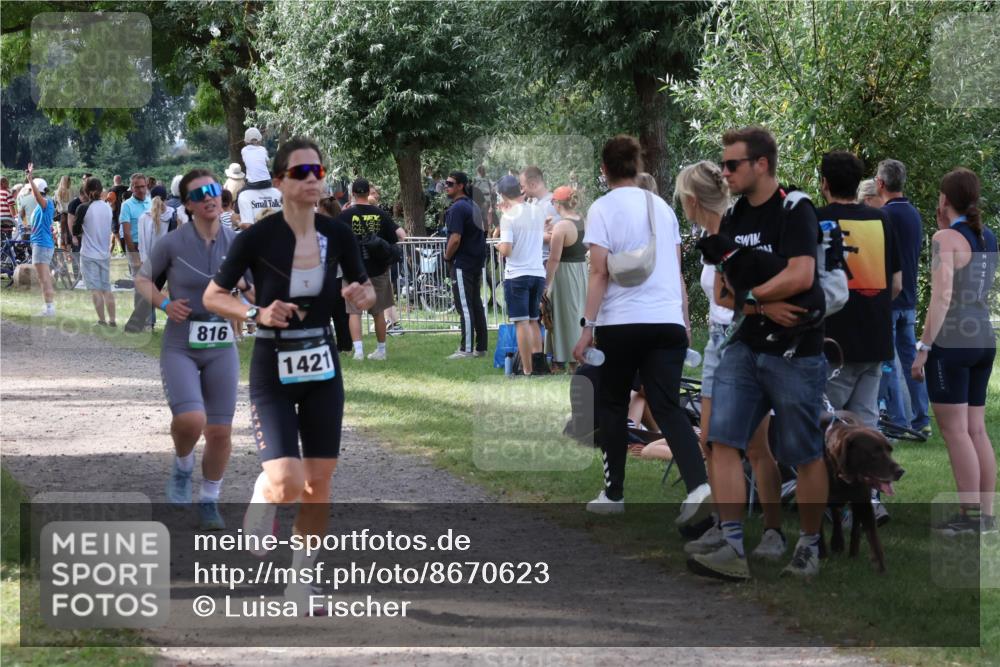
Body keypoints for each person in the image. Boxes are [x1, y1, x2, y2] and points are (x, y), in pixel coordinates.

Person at [203, 137, 375, 615]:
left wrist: (364, 298)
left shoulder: (337, 233)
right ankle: (263, 493)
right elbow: (215, 296)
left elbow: (362, 288)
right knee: (287, 482)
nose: (312, 179)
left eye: (317, 170)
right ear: (278, 181)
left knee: (319, 482)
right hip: (272, 366)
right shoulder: (256, 237)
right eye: (300, 172)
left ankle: (301, 582)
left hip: (322, 362)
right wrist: (256, 310)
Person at [687, 126, 829, 581]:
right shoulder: (732, 219)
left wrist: (753, 295)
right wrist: (762, 303)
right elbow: (726, 295)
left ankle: (808, 545)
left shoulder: (795, 208)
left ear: (761, 164)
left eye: (732, 165)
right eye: (724, 165)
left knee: (803, 451)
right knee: (721, 441)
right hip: (745, 345)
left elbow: (803, 274)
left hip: (795, 352)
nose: (724, 173)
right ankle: (731, 543)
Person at [571, 135, 710, 521]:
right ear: (637, 164)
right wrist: (683, 324)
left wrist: (588, 327)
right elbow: (677, 272)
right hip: (666, 321)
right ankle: (699, 486)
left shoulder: (601, 209)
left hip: (622, 322)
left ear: (604, 169)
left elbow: (599, 272)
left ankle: (613, 493)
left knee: (614, 404)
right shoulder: (662, 208)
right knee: (667, 406)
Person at [673, 161, 784, 561]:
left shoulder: (736, 230)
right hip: (719, 342)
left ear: (690, 199)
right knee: (711, 443)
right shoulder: (710, 233)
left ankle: (772, 532)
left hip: (740, 337)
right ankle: (725, 527)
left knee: (755, 446)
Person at [136, 169, 247, 532]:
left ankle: (210, 499)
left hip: (221, 344)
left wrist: (252, 295)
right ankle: (183, 465)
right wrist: (165, 305)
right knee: (191, 420)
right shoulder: (172, 243)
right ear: (188, 205)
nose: (210, 197)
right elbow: (142, 279)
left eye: (214, 190)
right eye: (200, 194)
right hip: (181, 342)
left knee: (219, 432)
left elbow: (254, 291)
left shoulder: (236, 242)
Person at [913, 168, 997, 535]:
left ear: (944, 199)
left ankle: (969, 517)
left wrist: (923, 347)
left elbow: (942, 295)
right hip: (983, 338)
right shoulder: (988, 237)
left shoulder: (944, 237)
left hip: (953, 343)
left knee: (956, 432)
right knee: (976, 430)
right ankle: (986, 515)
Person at [876, 159, 931, 436]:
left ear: (881, 184)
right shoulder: (913, 213)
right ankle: (922, 416)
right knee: (911, 362)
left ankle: (897, 420)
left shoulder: (885, 216)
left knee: (887, 361)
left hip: (889, 297)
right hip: (909, 298)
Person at [335, 178, 402, 361]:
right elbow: (401, 236)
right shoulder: (381, 214)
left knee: (353, 312)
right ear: (368, 192)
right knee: (378, 312)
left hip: (353, 270)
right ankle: (381, 350)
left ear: (353, 194)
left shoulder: (345, 216)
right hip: (378, 270)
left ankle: (358, 352)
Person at [497, 174, 547, 374]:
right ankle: (539, 366)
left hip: (517, 274)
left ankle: (526, 370)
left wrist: (498, 246)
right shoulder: (537, 211)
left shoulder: (508, 217)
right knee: (534, 320)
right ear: (520, 190)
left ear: (502, 194)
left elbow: (507, 249)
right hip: (537, 273)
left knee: (521, 323)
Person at [443, 171, 488, 359]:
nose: (446, 186)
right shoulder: (473, 205)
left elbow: (455, 238)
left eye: (450, 183)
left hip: (463, 262)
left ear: (461, 186)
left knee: (465, 306)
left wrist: (446, 257)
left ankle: (466, 349)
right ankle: (481, 347)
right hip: (476, 261)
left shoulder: (457, 208)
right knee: (476, 304)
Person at [543, 186, 586, 371]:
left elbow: (554, 258)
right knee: (578, 313)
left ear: (557, 204)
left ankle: (566, 359)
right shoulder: (583, 221)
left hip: (565, 273)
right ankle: (574, 357)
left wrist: (547, 284)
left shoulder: (561, 226)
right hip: (581, 270)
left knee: (562, 315)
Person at [74, 177, 116, 327]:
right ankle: (112, 320)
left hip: (89, 253)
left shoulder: (83, 208)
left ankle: (102, 320)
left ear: (86, 191)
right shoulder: (107, 207)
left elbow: (76, 230)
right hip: (104, 253)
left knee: (95, 289)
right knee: (106, 288)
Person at [25, 165, 57, 316]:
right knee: (43, 277)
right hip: (41, 243)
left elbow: (38, 197)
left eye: (32, 190)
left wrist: (30, 179)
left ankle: (49, 309)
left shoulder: (46, 202)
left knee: (43, 278)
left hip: (42, 244)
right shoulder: (41, 206)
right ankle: (48, 308)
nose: (31, 193)